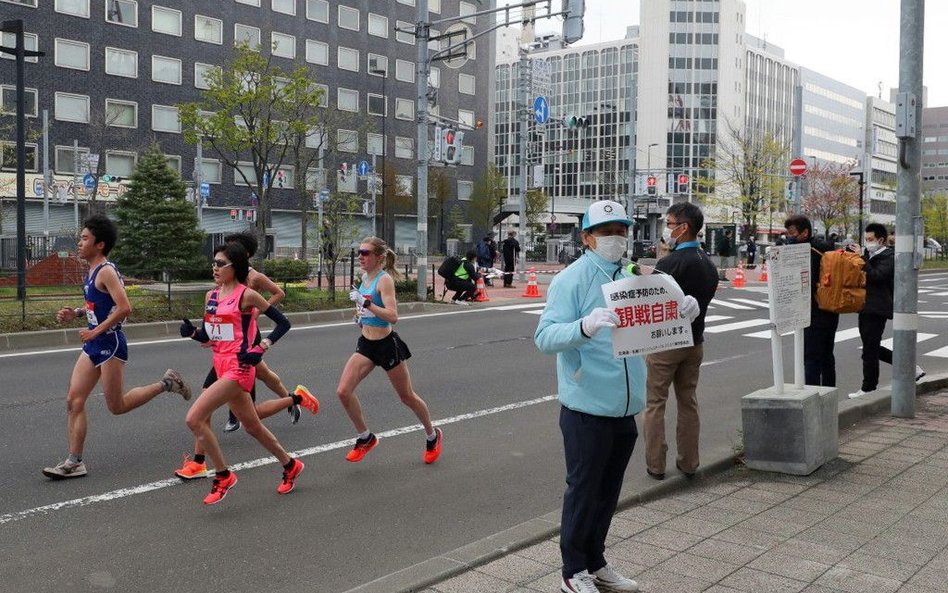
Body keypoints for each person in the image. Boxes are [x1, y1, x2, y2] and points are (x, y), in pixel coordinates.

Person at [535, 200, 695, 593]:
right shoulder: (572, 279)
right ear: (587, 237)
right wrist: (584, 327)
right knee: (584, 490)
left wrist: (681, 311)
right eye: (606, 232)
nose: (615, 239)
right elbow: (544, 336)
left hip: (625, 407)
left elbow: (654, 321)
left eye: (621, 230)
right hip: (586, 405)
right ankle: (573, 572)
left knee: (608, 493)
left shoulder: (633, 276)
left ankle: (596, 561)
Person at [43, 215, 192, 479]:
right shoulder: (91, 271)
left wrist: (96, 331)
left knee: (117, 406)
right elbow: (99, 307)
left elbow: (125, 308)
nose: (79, 243)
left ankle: (167, 383)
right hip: (94, 343)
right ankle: (75, 461)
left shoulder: (106, 271)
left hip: (109, 344)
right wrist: (76, 313)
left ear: (99, 245)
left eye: (84, 238)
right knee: (74, 400)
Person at [173, 233, 320, 480]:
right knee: (253, 424)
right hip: (220, 362)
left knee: (195, 417)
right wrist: (192, 333)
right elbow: (210, 337)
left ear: (237, 264)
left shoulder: (247, 293)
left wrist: (261, 346)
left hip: (239, 366)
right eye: (214, 263)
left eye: (220, 264)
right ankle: (290, 463)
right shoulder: (211, 296)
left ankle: (220, 474)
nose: (215, 268)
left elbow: (283, 322)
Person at [338, 236, 442, 464]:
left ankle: (432, 435)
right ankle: (365, 437)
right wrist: (359, 316)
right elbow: (368, 313)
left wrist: (366, 304)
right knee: (343, 392)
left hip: (386, 345)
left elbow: (393, 316)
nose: (360, 257)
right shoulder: (364, 278)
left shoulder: (384, 281)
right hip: (366, 344)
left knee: (407, 397)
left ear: (379, 257)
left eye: (365, 253)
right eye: (359, 252)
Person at [644, 203, 717, 481]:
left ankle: (656, 464)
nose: (667, 227)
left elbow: (652, 301)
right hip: (694, 343)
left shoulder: (670, 264)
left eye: (670, 222)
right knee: (688, 401)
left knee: (655, 403)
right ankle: (689, 462)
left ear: (683, 228)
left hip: (666, 344)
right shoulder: (707, 263)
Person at [218, 232, 308, 434]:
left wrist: (259, 309)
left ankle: (241, 413)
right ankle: (289, 399)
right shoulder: (226, 273)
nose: (226, 253)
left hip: (247, 335)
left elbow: (279, 293)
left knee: (254, 374)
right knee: (261, 373)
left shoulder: (254, 277)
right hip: (228, 337)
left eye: (232, 249)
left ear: (246, 254)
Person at [847, 223, 925, 398]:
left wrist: (862, 258)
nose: (867, 243)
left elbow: (877, 276)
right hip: (864, 305)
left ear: (880, 239)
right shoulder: (869, 254)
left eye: (870, 239)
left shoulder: (889, 256)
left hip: (878, 307)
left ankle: (868, 388)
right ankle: (912, 369)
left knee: (869, 349)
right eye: (865, 239)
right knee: (870, 348)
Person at [785, 214, 839, 387]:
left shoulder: (806, 252)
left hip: (813, 311)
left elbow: (802, 284)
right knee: (827, 356)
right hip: (831, 308)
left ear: (805, 232)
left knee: (811, 358)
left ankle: (812, 394)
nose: (789, 237)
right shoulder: (826, 249)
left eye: (792, 233)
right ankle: (830, 393)